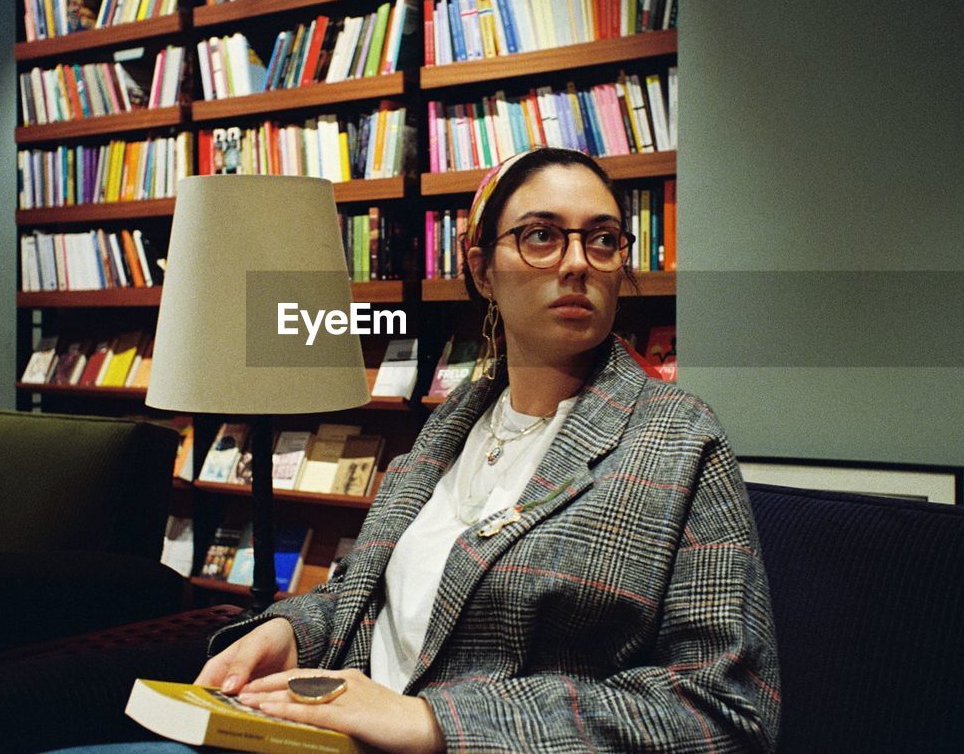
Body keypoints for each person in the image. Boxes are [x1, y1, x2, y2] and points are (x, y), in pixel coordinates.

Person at [59, 148, 780, 753]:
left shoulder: (680, 439)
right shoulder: (450, 425)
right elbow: (378, 597)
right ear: (480, 267)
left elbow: (724, 711)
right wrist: (291, 629)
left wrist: (438, 722)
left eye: (603, 239)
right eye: (540, 235)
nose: (577, 262)